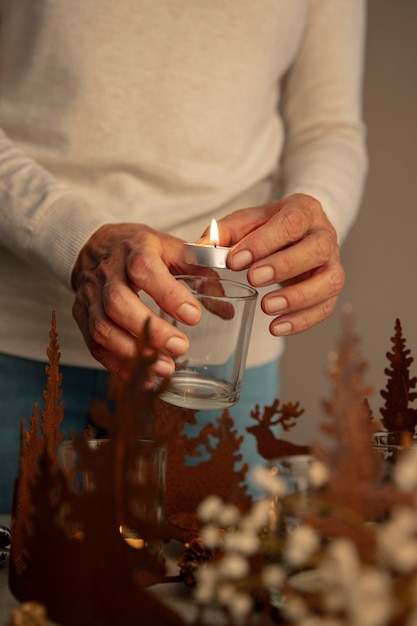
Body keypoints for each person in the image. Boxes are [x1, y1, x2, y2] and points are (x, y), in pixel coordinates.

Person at [0, 1, 368, 512]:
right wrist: (77, 240)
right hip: (18, 344)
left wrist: (314, 217)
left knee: (216, 577)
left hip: (221, 364)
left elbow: (329, 127)